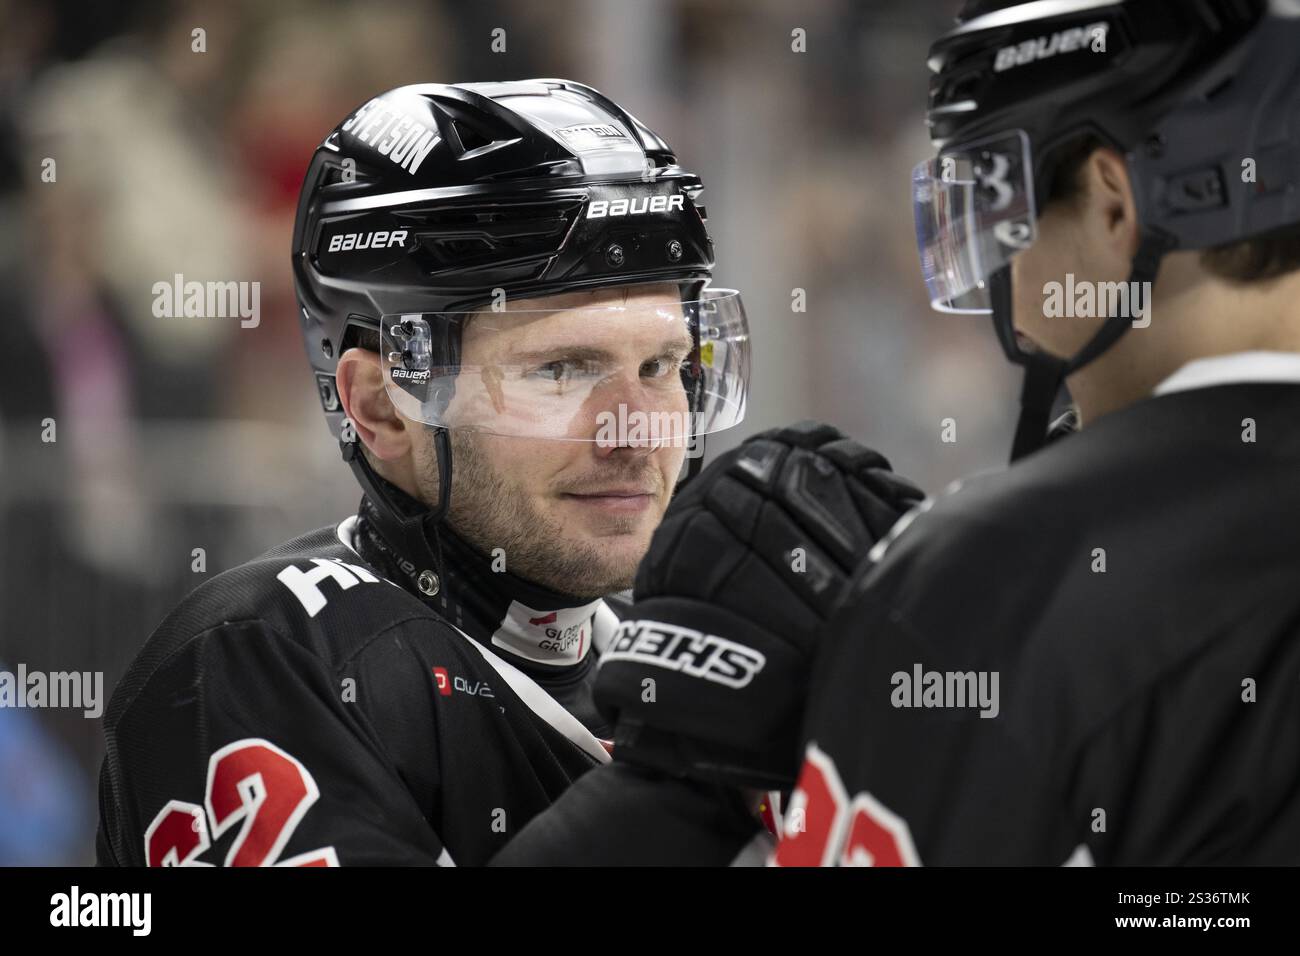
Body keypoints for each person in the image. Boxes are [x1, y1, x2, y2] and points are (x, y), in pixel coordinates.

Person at [495, 0, 1300, 866]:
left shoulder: (995, 576)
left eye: (998, 209)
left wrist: (678, 784)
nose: (1014, 297)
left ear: (1112, 206)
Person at [94, 79, 753, 866]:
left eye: (661, 365)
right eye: (562, 371)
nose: (635, 429)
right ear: (382, 407)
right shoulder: (264, 658)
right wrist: (680, 786)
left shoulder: (656, 659)